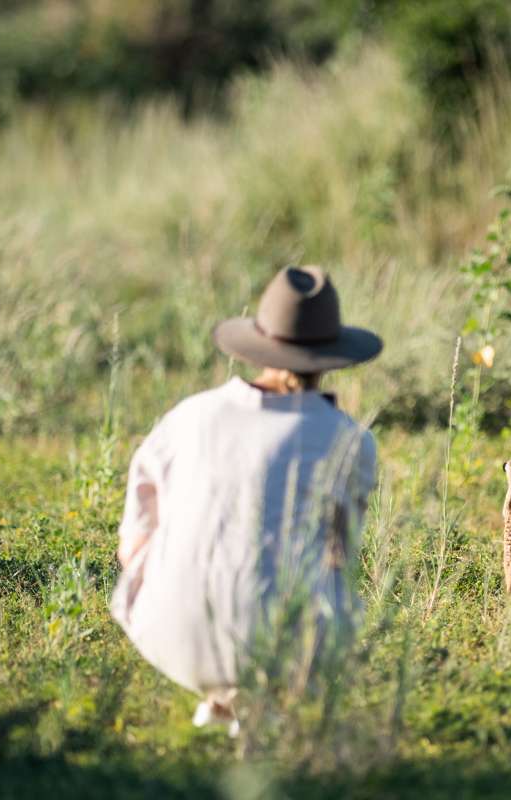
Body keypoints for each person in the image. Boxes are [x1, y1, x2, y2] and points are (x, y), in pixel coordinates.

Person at [110, 265, 382, 735]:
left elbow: (135, 533)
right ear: (330, 355)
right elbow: (341, 549)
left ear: (261, 344)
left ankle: (222, 696)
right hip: (286, 641)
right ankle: (261, 696)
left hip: (169, 631)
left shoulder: (190, 415)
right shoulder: (349, 439)